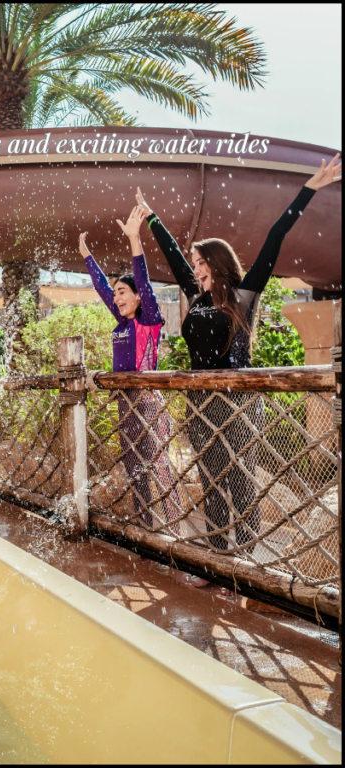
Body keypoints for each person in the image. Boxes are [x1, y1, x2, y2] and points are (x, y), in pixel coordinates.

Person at [136, 153, 341, 552]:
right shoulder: (195, 298)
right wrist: (151, 218)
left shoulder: (243, 296)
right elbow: (173, 256)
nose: (195, 269)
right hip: (200, 401)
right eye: (194, 264)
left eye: (200, 263)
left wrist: (309, 190)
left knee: (242, 480)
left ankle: (245, 561)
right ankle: (218, 556)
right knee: (211, 480)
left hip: (239, 400)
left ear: (216, 263)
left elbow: (274, 239)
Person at [79, 207, 181, 535]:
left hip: (149, 403)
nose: (116, 296)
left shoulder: (147, 320)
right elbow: (100, 288)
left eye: (122, 291)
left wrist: (135, 239)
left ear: (138, 297)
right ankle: (148, 533)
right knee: (135, 469)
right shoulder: (122, 320)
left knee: (160, 469)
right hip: (126, 404)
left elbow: (144, 280)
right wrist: (87, 257)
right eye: (116, 293)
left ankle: (178, 536)